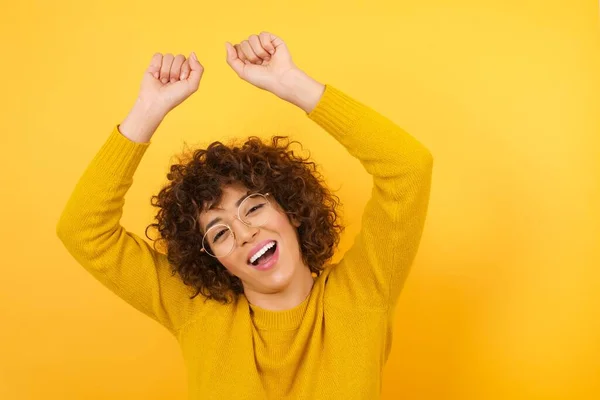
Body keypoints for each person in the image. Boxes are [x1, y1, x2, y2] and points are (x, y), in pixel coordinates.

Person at [56, 31, 434, 399]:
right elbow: (82, 230)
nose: (245, 233)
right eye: (219, 233)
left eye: (252, 208)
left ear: (292, 211)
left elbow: (408, 169)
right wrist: (148, 110)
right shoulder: (198, 312)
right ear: (217, 261)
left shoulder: (363, 293)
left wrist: (292, 83)